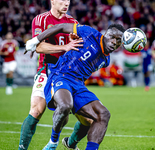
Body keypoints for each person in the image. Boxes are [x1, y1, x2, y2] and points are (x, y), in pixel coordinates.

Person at [25, 23, 125, 150]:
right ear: (105, 34)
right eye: (111, 37)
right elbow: (60, 27)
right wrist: (35, 40)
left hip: (78, 85)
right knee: (66, 105)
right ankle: (53, 142)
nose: (113, 42)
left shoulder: (106, 60)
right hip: (60, 75)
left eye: (118, 40)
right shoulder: (89, 32)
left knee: (103, 114)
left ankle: (77, 145)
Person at [19, 0, 89, 150]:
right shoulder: (41, 19)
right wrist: (65, 47)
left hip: (66, 74)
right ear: (53, 1)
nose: (66, 4)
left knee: (87, 120)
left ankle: (70, 143)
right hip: (47, 69)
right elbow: (39, 47)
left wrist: (77, 43)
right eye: (62, 0)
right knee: (36, 110)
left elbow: (79, 48)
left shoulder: (73, 22)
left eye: (68, 1)